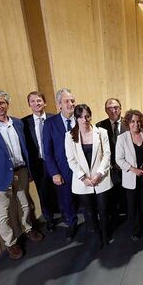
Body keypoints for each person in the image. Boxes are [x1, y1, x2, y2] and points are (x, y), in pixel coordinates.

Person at [0, 90, 43, 260]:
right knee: (2, 213)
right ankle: (11, 244)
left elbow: (25, 149)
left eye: (2, 102)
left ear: (7, 104)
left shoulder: (18, 123)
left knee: (25, 203)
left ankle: (28, 229)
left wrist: (30, 172)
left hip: (22, 171)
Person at [65, 104, 113, 246]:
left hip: (101, 178)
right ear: (76, 118)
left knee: (103, 209)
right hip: (83, 181)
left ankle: (105, 235)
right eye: (80, 117)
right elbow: (71, 160)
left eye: (87, 116)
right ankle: (98, 235)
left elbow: (107, 155)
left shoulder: (101, 132)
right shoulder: (69, 136)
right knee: (90, 212)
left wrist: (100, 173)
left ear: (91, 116)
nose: (84, 119)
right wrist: (83, 177)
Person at [43, 88, 78, 241]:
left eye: (72, 100)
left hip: (82, 168)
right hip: (62, 170)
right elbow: (47, 151)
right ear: (59, 105)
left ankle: (91, 223)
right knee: (66, 200)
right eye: (66, 101)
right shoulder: (50, 124)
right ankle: (71, 224)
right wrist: (54, 173)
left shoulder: (81, 118)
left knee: (86, 198)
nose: (71, 104)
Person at [116, 110, 143, 240]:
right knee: (132, 205)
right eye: (132, 121)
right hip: (131, 177)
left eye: (138, 121)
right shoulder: (122, 138)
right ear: (128, 122)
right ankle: (134, 229)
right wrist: (133, 169)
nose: (136, 124)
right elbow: (119, 159)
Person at [22, 91, 57, 232]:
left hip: (54, 161)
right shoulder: (23, 123)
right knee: (43, 192)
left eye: (39, 100)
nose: (36, 103)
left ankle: (67, 214)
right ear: (29, 104)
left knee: (59, 190)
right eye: (33, 101)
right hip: (38, 163)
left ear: (45, 102)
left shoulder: (54, 119)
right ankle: (49, 219)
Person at [96, 98, 128, 223]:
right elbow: (100, 150)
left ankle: (129, 216)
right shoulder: (99, 126)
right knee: (112, 197)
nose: (113, 110)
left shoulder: (130, 122)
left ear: (120, 108)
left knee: (127, 196)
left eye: (116, 107)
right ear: (105, 110)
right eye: (110, 108)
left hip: (127, 167)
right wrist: (110, 164)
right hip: (110, 169)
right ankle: (115, 218)